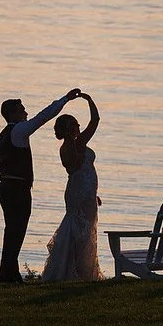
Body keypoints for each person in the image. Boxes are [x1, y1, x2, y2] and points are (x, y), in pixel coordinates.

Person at [0, 88, 81, 283]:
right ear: (12, 114)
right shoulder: (18, 130)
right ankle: (9, 274)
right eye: (22, 110)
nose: (26, 113)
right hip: (16, 189)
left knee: (12, 231)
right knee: (16, 231)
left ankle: (8, 272)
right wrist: (65, 99)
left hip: (6, 187)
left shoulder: (4, 134)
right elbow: (42, 117)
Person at [41, 92, 105, 282]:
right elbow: (95, 121)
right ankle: (77, 271)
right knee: (81, 232)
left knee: (82, 230)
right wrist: (89, 100)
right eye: (76, 125)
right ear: (71, 129)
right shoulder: (77, 144)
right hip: (80, 192)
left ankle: (79, 270)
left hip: (85, 192)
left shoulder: (71, 145)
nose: (79, 127)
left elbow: (83, 172)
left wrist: (93, 194)